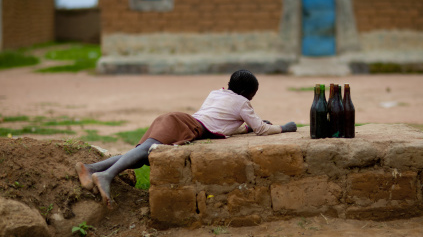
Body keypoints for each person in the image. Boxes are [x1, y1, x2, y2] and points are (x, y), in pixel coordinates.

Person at [75, 70, 297, 209]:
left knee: (144, 154)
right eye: (253, 95)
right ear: (249, 93)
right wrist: (284, 128)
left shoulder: (217, 93)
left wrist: (245, 127)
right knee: (145, 152)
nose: (252, 99)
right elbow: (261, 130)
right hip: (186, 125)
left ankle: (92, 168)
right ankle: (106, 175)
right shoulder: (242, 103)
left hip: (180, 120)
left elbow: (219, 124)